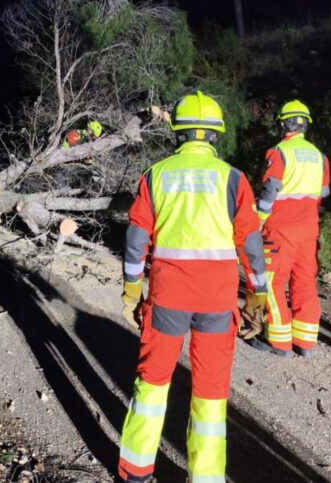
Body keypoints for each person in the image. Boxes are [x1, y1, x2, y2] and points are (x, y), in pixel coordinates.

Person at [118, 91, 267, 482]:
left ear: (177, 132)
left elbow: (136, 240)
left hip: (168, 297)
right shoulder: (233, 179)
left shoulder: (156, 175)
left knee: (151, 385)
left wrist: (132, 287)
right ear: (215, 135)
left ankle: (135, 472)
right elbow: (251, 242)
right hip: (217, 302)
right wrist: (258, 292)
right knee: (211, 392)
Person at [248, 100, 330, 358]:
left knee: (273, 283)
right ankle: (305, 342)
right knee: (304, 281)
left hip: (281, 228)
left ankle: (279, 342)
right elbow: (323, 192)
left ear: (283, 123)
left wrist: (258, 219)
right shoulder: (320, 156)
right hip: (309, 229)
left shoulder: (279, 151)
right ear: (306, 125)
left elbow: (270, 188)